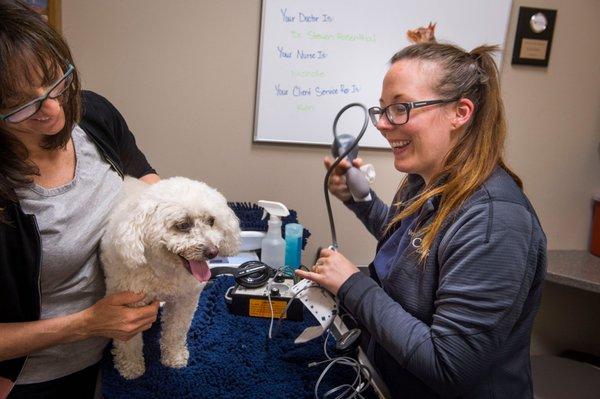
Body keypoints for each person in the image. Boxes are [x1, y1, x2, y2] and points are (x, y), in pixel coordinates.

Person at [296, 42, 547, 398]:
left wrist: (351, 284)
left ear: (460, 112)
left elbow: (448, 365)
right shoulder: (425, 179)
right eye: (381, 110)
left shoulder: (496, 222)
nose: (383, 125)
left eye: (400, 108)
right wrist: (361, 201)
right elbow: (416, 249)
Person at [0, 1, 161, 397]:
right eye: (22, 103)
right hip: (32, 379)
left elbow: (151, 189)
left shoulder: (95, 116)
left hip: (108, 355)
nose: (52, 109)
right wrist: (89, 322)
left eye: (56, 81)